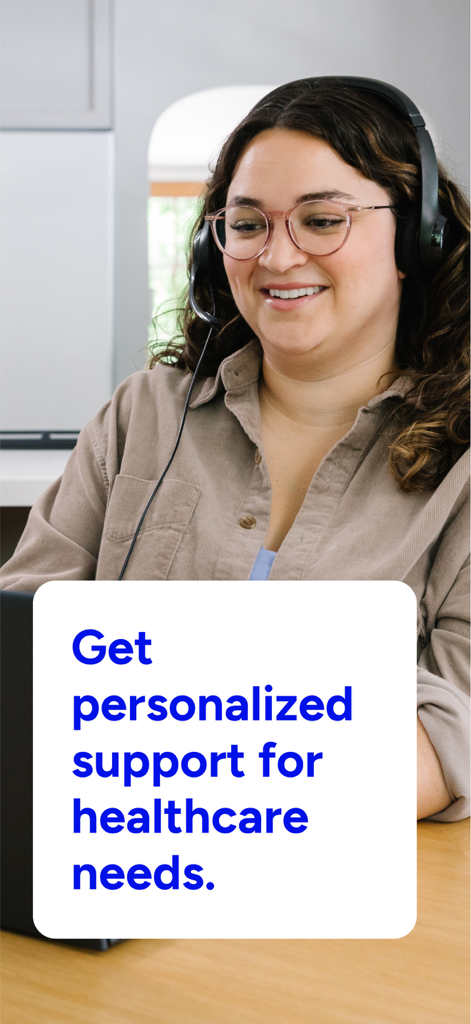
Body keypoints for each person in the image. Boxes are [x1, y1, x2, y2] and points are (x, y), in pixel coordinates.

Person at [0, 78, 469, 823]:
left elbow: (442, 747)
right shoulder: (142, 417)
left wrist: (128, 720)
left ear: (418, 236)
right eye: (247, 224)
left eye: (321, 221)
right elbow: (21, 658)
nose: (277, 257)